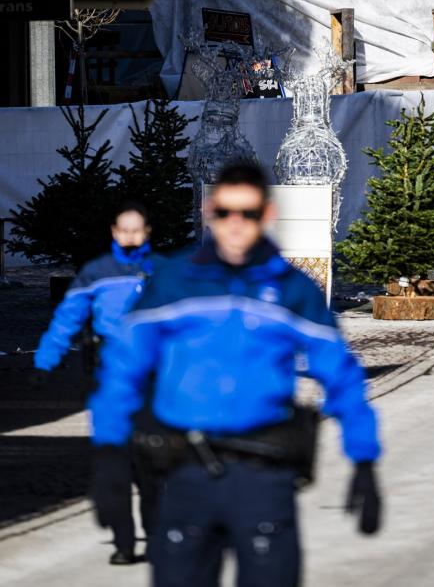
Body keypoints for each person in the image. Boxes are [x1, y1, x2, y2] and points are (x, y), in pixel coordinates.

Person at [89, 161, 382, 587]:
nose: (236, 224)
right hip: (185, 474)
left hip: (264, 476)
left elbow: (340, 373)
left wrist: (364, 459)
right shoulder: (173, 282)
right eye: (226, 212)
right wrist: (109, 456)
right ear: (210, 212)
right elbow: (122, 371)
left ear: (267, 215)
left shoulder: (291, 289)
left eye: (248, 213)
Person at [33, 200, 161, 565]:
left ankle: (155, 535)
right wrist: (44, 363)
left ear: (147, 232)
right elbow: (66, 320)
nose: (130, 236)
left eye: (137, 229)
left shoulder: (164, 273)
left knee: (151, 465)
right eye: (124, 229)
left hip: (154, 381)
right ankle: (124, 542)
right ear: (114, 232)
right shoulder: (96, 272)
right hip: (111, 382)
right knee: (113, 467)